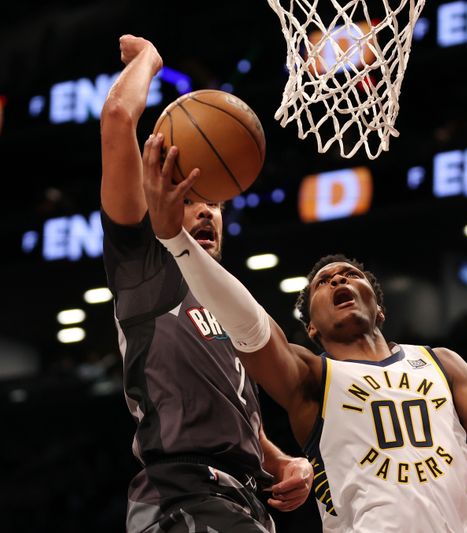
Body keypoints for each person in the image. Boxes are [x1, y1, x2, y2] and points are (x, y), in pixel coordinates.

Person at [142, 133, 467, 532]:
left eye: (350, 275)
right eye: (324, 282)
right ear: (311, 327)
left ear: (379, 307)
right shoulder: (311, 377)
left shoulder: (441, 363)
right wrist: (177, 241)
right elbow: (248, 324)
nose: (339, 282)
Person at [99, 34, 313, 533]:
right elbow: (116, 120)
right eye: (191, 197)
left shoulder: (223, 300)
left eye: (214, 202)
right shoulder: (142, 265)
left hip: (239, 496)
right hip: (181, 493)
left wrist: (279, 461)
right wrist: (151, 62)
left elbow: (226, 403)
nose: (206, 212)